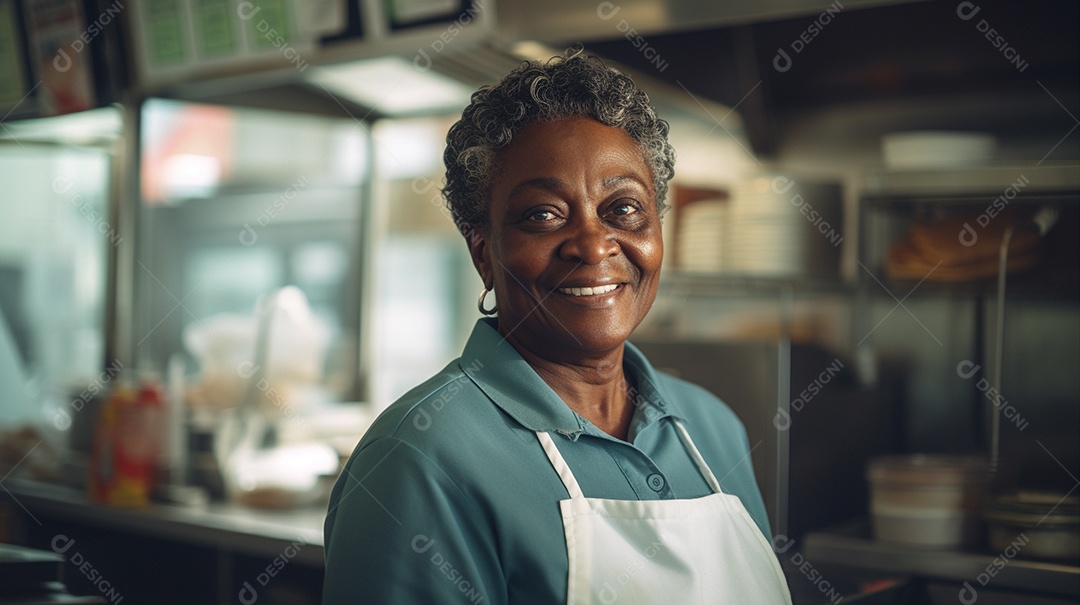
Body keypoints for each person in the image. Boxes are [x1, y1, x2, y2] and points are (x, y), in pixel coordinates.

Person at [322, 50, 793, 604]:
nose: (593, 245)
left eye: (623, 208)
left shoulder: (713, 428)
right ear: (483, 254)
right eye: (544, 214)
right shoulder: (418, 460)